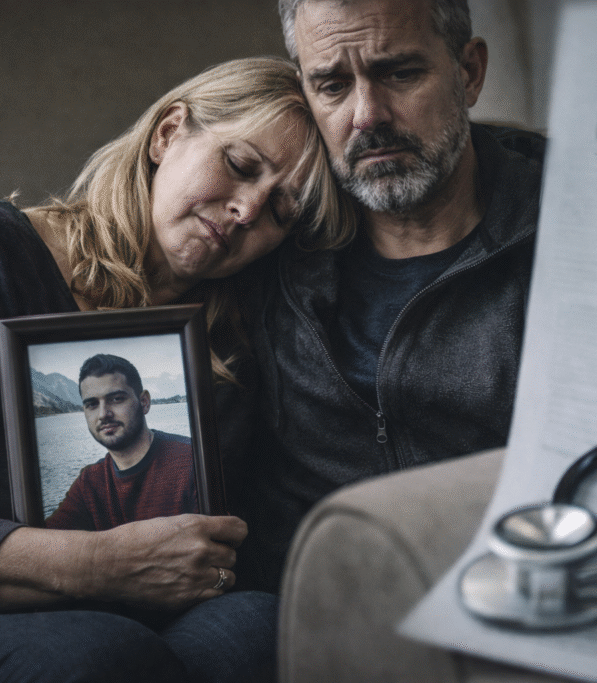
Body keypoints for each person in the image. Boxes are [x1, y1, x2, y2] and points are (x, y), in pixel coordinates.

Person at [0, 57, 350, 683]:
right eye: (239, 165)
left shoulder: (241, 338)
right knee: (100, 652)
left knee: (258, 630)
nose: (248, 211)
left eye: (281, 210)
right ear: (168, 132)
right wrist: (101, 564)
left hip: (137, 622)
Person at [232, 0, 546, 592]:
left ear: (469, 72)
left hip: (510, 598)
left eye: (400, 73)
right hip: (302, 619)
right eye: (332, 85)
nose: (366, 116)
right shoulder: (267, 238)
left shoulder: (576, 234)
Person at [45, 354, 198, 532]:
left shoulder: (193, 461)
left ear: (144, 402)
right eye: (92, 404)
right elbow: (43, 543)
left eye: (116, 399)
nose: (103, 414)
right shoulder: (90, 482)